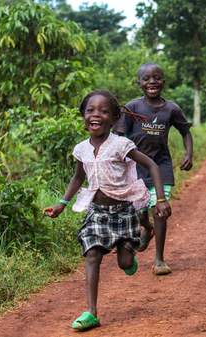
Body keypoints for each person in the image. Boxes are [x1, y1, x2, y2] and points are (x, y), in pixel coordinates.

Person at [44, 90, 171, 331]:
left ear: (114, 119)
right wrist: (62, 203)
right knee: (92, 254)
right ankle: (91, 312)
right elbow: (78, 177)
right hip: (96, 212)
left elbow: (152, 165)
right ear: (83, 115)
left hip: (123, 211)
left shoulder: (121, 144)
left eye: (103, 111)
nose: (96, 115)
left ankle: (133, 248)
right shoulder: (81, 149)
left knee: (124, 263)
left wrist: (161, 198)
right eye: (90, 110)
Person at [114, 63, 193, 276]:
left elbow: (185, 131)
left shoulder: (171, 109)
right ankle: (145, 227)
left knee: (160, 210)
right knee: (139, 211)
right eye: (146, 79)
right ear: (139, 83)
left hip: (162, 166)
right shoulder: (132, 108)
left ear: (163, 82)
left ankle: (159, 259)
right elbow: (120, 137)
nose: (152, 82)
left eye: (157, 78)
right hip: (136, 168)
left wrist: (188, 153)